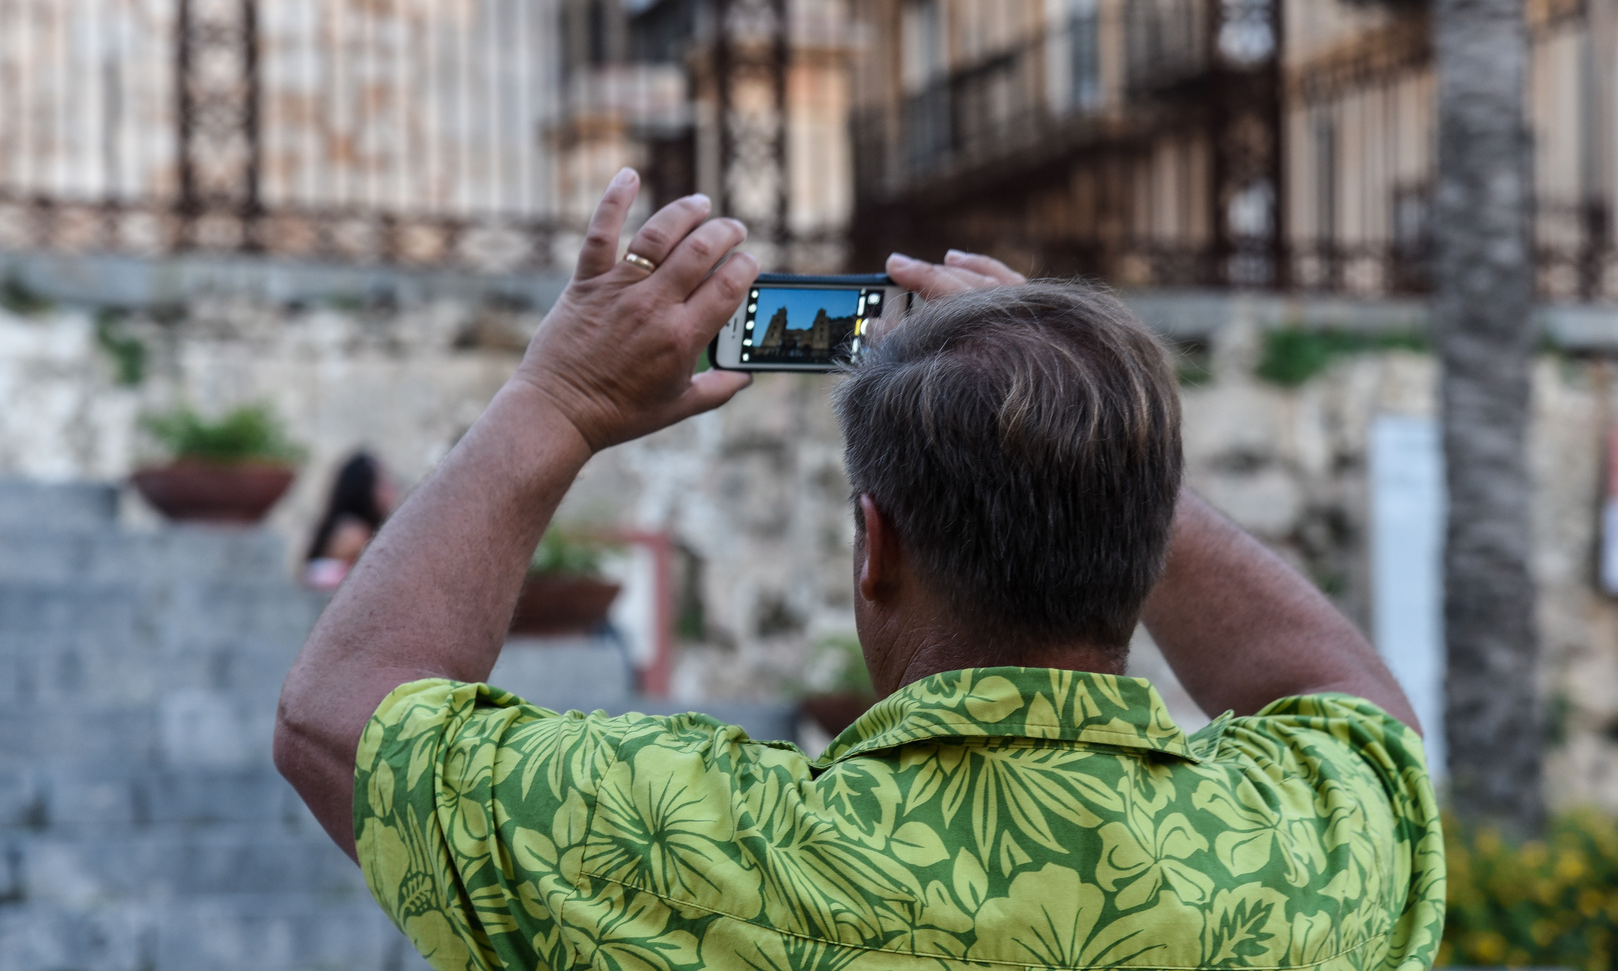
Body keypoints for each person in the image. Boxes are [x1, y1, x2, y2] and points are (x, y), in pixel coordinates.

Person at [275, 170, 1443, 971]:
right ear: (1139, 548)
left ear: (873, 548)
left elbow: (338, 718)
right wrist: (1097, 445)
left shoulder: (692, 851)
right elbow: (1362, 713)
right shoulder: (1299, 852)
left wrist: (558, 400)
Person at [302, 451, 396, 591]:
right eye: (383, 483)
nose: (392, 489)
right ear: (365, 488)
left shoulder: (345, 526)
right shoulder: (353, 533)